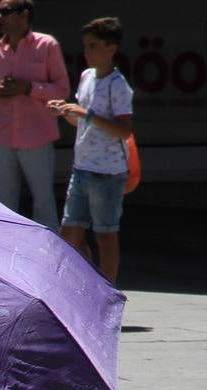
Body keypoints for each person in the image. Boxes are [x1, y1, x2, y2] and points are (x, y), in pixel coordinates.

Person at [49, 17, 133, 285]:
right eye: (86, 46)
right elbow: (83, 120)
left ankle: (106, 294)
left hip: (107, 172)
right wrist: (66, 111)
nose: (87, 52)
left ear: (111, 48)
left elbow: (123, 130)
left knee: (106, 235)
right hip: (82, 166)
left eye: (93, 46)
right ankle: (90, 284)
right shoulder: (86, 77)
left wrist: (85, 113)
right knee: (70, 233)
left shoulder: (118, 85)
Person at [0, 0, 69, 230]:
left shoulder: (47, 45)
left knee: (43, 202)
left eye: (6, 12)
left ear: (24, 15)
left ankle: (49, 259)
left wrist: (29, 88)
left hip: (37, 135)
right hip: (4, 134)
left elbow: (62, 90)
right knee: (3, 202)